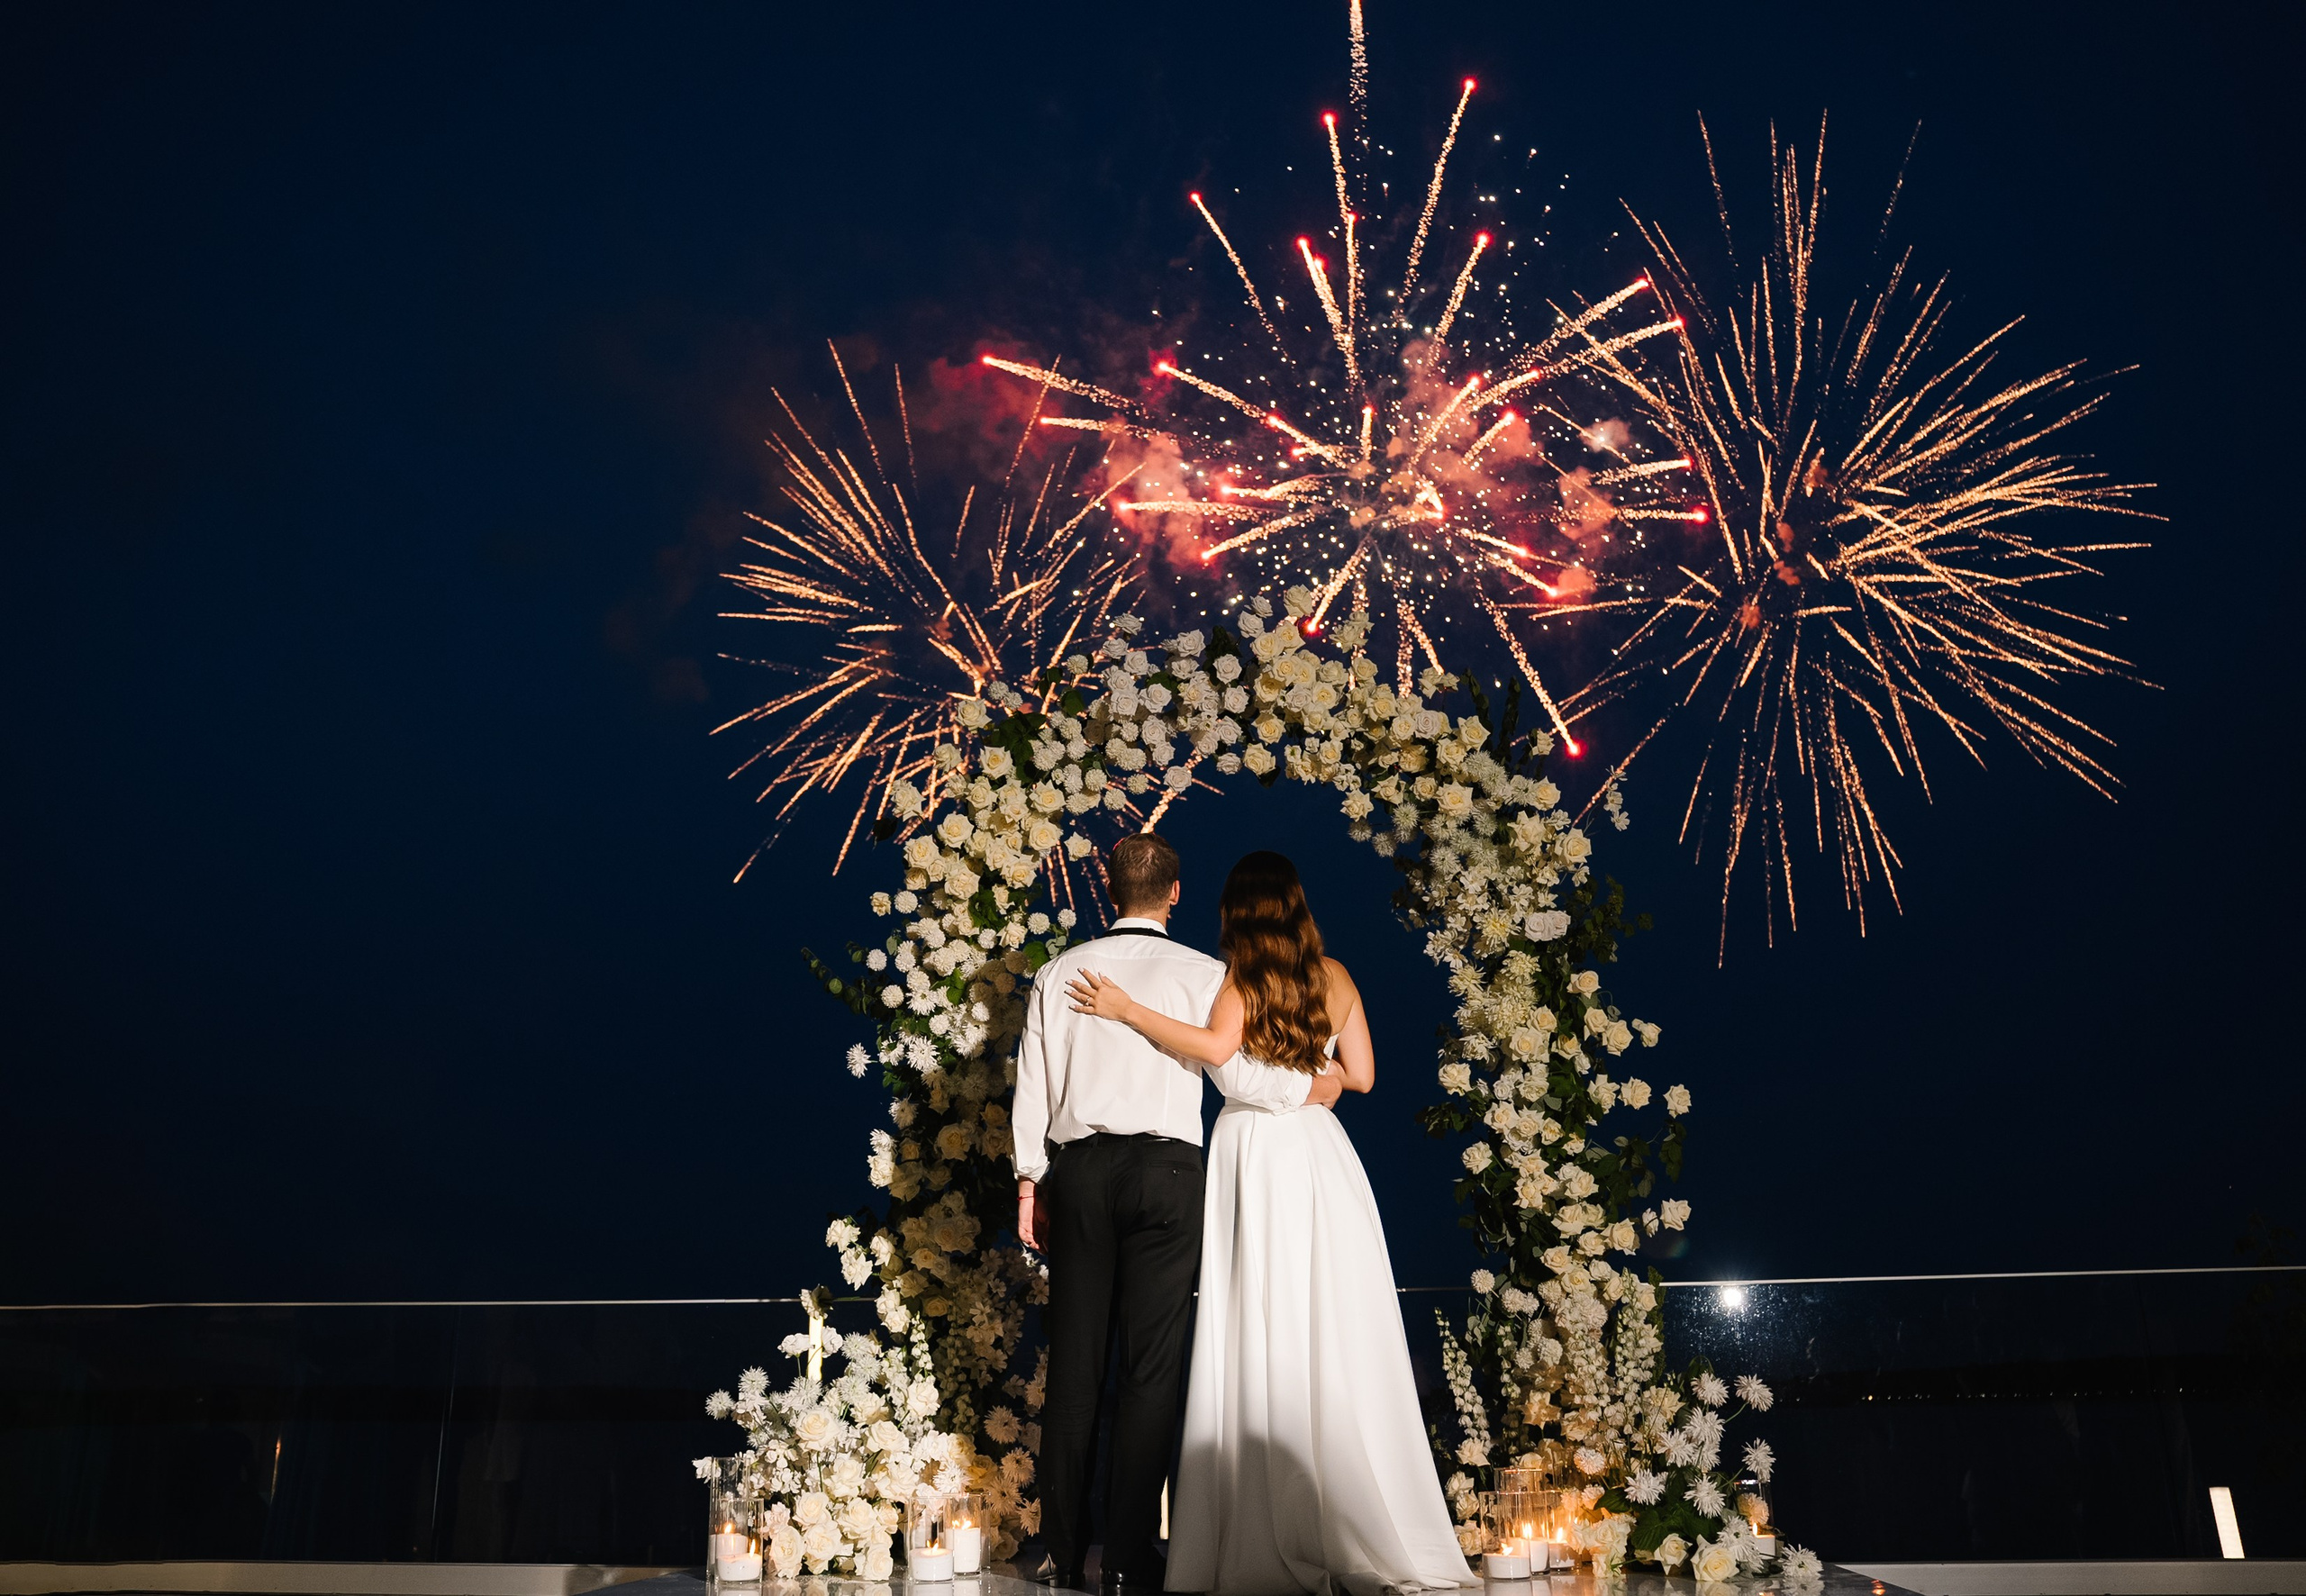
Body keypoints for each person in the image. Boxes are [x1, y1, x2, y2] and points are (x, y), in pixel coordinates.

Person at [1067, 850, 1475, 1596]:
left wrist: (1128, 1010)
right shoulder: (1337, 976)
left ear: (1235, 913)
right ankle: (1352, 1510)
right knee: (1331, 1323)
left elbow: (1215, 1048)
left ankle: (1262, 1519)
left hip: (1253, 1151)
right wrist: (1312, 1083)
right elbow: (1364, 1076)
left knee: (1261, 1319)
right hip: (1322, 1161)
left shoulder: (1238, 982)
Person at [1012, 833, 1345, 1594]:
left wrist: (1030, 1184)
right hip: (1168, 1174)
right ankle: (1129, 1555)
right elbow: (1244, 1071)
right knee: (1151, 1370)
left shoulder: (1060, 971)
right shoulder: (1207, 976)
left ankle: (1064, 1550)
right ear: (1175, 894)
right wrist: (1316, 1089)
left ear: (1108, 889)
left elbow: (1032, 1089)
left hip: (1081, 1171)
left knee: (1073, 1368)